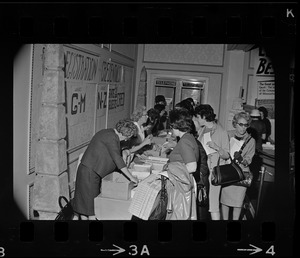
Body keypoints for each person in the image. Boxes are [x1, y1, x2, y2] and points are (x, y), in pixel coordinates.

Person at [72, 119, 139, 220]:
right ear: (125, 134)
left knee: (84, 209)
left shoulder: (108, 133)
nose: (125, 140)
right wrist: (131, 177)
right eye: (127, 138)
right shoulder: (111, 138)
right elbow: (117, 159)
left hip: (87, 171)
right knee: (92, 210)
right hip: (90, 174)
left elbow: (111, 153)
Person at [193, 104, 230, 220]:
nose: (197, 120)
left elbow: (227, 155)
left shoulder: (222, 132)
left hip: (214, 172)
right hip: (203, 170)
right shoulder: (203, 129)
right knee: (200, 200)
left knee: (213, 205)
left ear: (204, 117)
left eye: (198, 117)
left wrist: (216, 147)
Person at [220, 112, 256, 220]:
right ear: (235, 124)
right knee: (224, 201)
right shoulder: (227, 134)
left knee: (237, 203)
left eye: (246, 125)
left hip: (241, 173)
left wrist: (242, 159)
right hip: (227, 171)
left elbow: (249, 159)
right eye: (241, 124)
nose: (243, 128)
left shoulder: (251, 140)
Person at [167, 108, 199, 219]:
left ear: (177, 126)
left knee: (178, 215)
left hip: (181, 184)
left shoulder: (185, 141)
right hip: (183, 182)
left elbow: (192, 167)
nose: (171, 129)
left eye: (171, 126)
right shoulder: (188, 137)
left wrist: (169, 171)